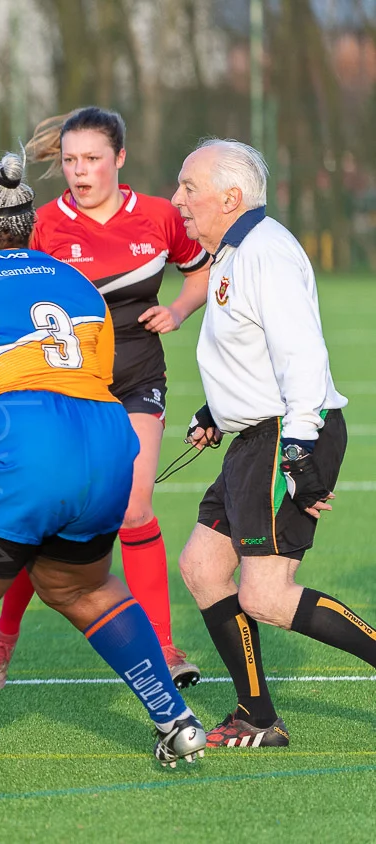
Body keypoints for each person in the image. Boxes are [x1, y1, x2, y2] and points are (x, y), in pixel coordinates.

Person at [0, 152, 205, 799]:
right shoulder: (75, 283)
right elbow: (96, 377)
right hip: (105, 447)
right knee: (83, 587)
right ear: (32, 229)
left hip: (16, 448)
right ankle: (176, 719)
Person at [0, 107, 212, 691]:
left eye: (93, 160)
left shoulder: (158, 216)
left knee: (134, 509)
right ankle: (0, 648)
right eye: (71, 161)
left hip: (136, 377)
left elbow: (202, 271)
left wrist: (178, 310)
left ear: (119, 159)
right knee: (49, 520)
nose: (80, 173)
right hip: (63, 386)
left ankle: (162, 647)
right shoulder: (46, 224)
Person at [172, 140, 368, 749]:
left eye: (188, 187)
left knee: (265, 594)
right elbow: (249, 353)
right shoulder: (230, 252)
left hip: (285, 432)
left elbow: (301, 353)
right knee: (203, 566)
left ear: (230, 197)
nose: (178, 200)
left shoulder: (265, 251)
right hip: (256, 434)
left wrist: (300, 449)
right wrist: (215, 410)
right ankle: (257, 715)